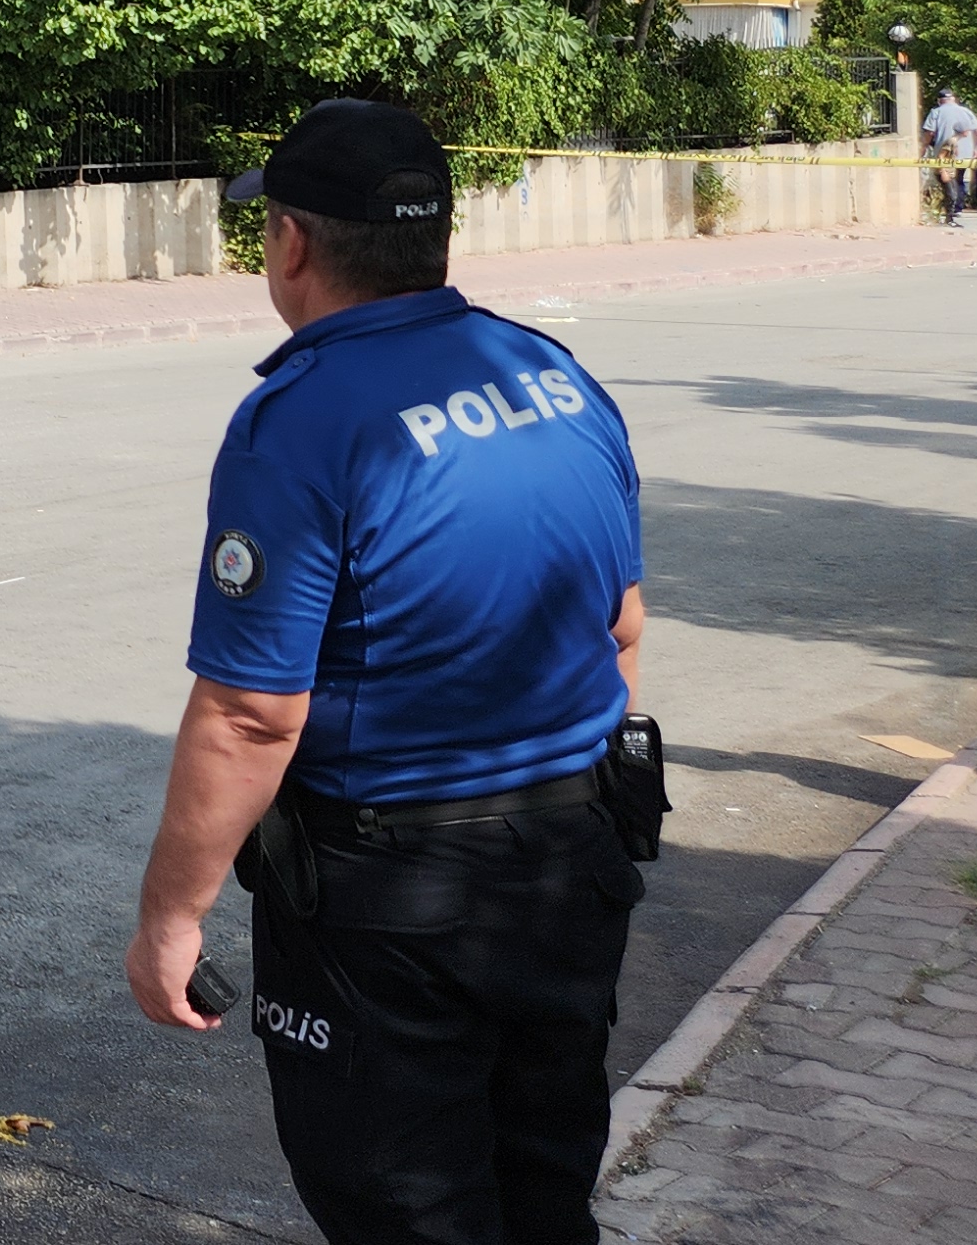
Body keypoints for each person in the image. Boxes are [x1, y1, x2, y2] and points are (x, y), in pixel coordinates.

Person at [125, 99, 649, 1245]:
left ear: (294, 243)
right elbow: (619, 627)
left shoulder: (303, 421)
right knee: (542, 1186)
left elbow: (251, 713)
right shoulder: (552, 373)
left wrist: (171, 917)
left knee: (405, 1208)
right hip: (572, 866)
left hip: (397, 907)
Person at [924, 86, 977, 225]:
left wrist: (923, 147)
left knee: (947, 183)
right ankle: (957, 208)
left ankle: (949, 210)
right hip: (965, 153)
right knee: (959, 179)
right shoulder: (966, 111)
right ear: (953, 99)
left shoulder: (936, 112)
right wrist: (976, 147)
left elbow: (929, 132)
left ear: (940, 100)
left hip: (944, 156)